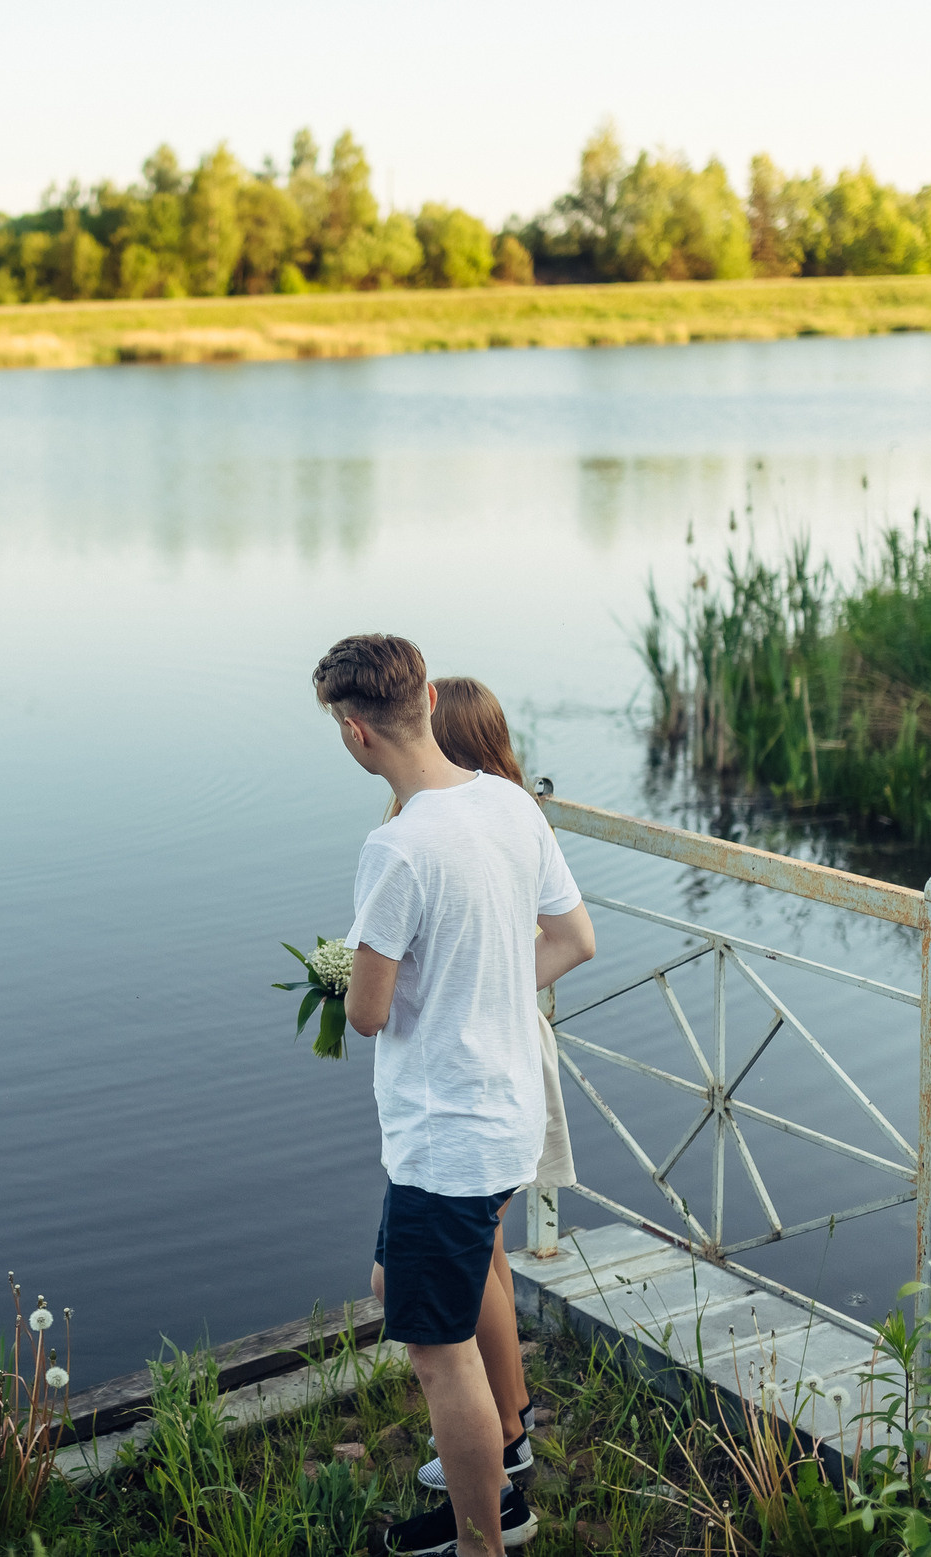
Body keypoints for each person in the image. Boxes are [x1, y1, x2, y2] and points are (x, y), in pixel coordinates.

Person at [313, 636, 597, 1557]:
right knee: (403, 1281)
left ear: (355, 732)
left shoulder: (394, 850)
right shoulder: (510, 804)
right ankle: (492, 1484)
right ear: (428, 697)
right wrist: (486, 988)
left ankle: (487, 1533)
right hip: (504, 1113)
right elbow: (568, 931)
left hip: (448, 1137)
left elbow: (367, 1012)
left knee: (439, 1353)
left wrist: (352, 971)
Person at [389, 677, 577, 1499]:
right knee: (487, 1248)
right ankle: (511, 1421)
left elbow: (383, 998)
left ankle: (505, 1432)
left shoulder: (440, 826)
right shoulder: (510, 813)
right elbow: (573, 937)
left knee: (474, 1262)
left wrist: (476, 996)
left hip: (472, 1079)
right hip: (504, 1068)